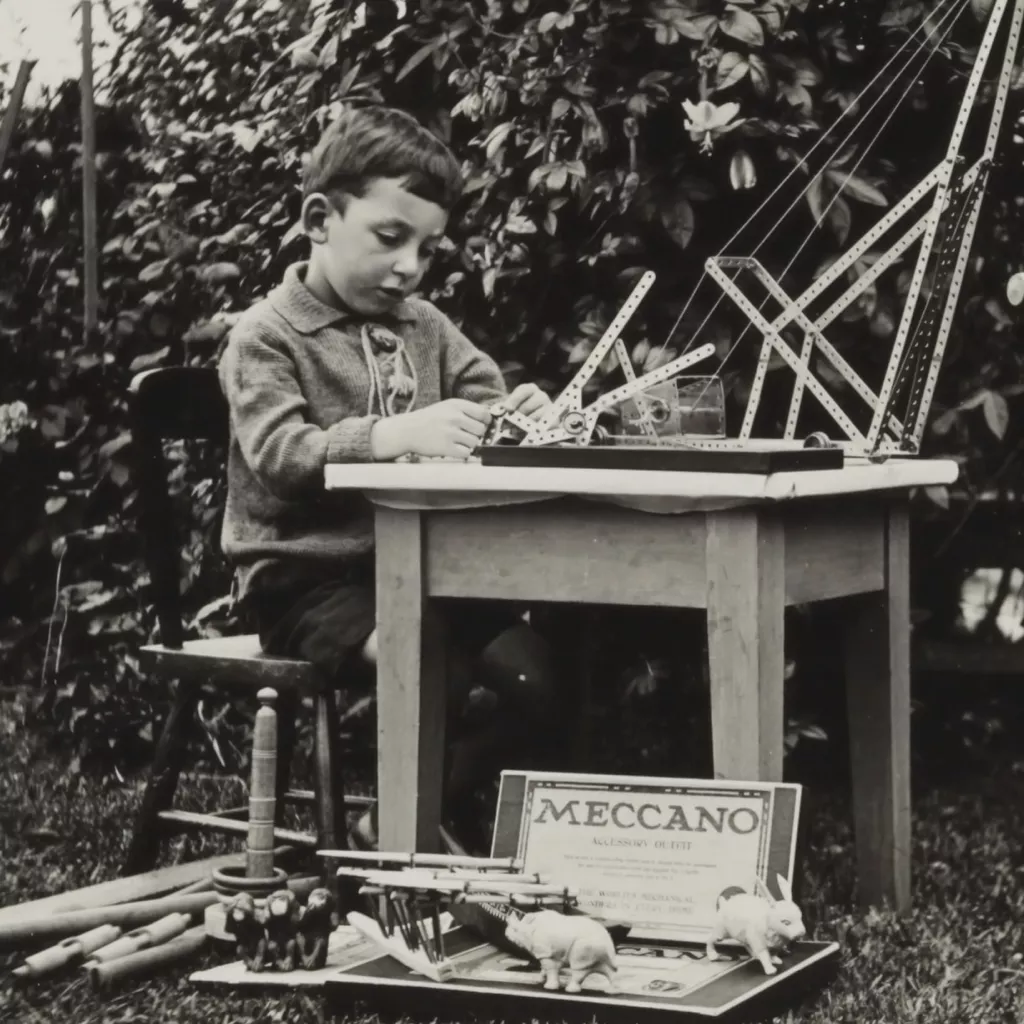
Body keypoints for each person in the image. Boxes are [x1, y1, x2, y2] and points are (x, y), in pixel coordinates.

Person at [217, 104, 562, 851]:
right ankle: (413, 825)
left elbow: (483, 396)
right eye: (389, 238)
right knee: (429, 652)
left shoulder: (424, 324)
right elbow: (280, 457)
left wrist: (517, 415)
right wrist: (392, 435)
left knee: (539, 674)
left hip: (413, 569)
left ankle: (401, 815)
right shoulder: (265, 337)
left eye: (428, 249)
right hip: (301, 581)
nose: (409, 266)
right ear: (318, 218)